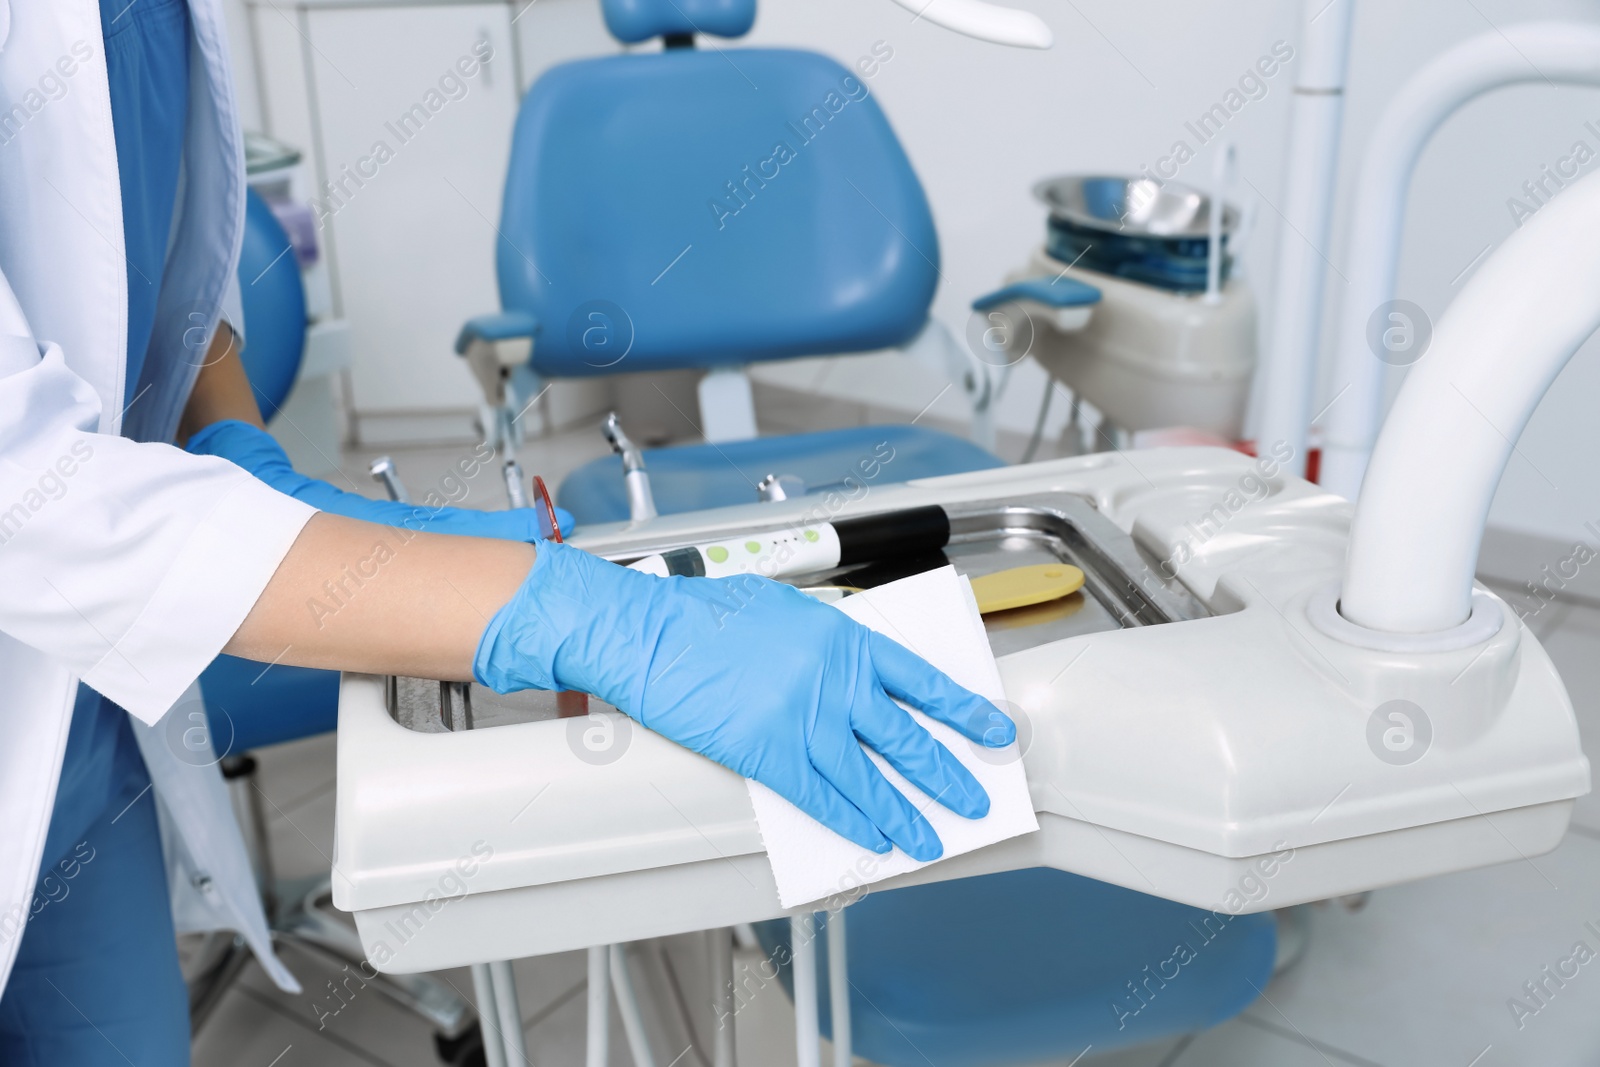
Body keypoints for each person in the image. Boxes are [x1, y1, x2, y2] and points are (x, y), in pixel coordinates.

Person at [0, 0, 1014, 1061]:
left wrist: (241, 449)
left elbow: (166, 268)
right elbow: (28, 493)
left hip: (76, 724)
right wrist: (586, 614)